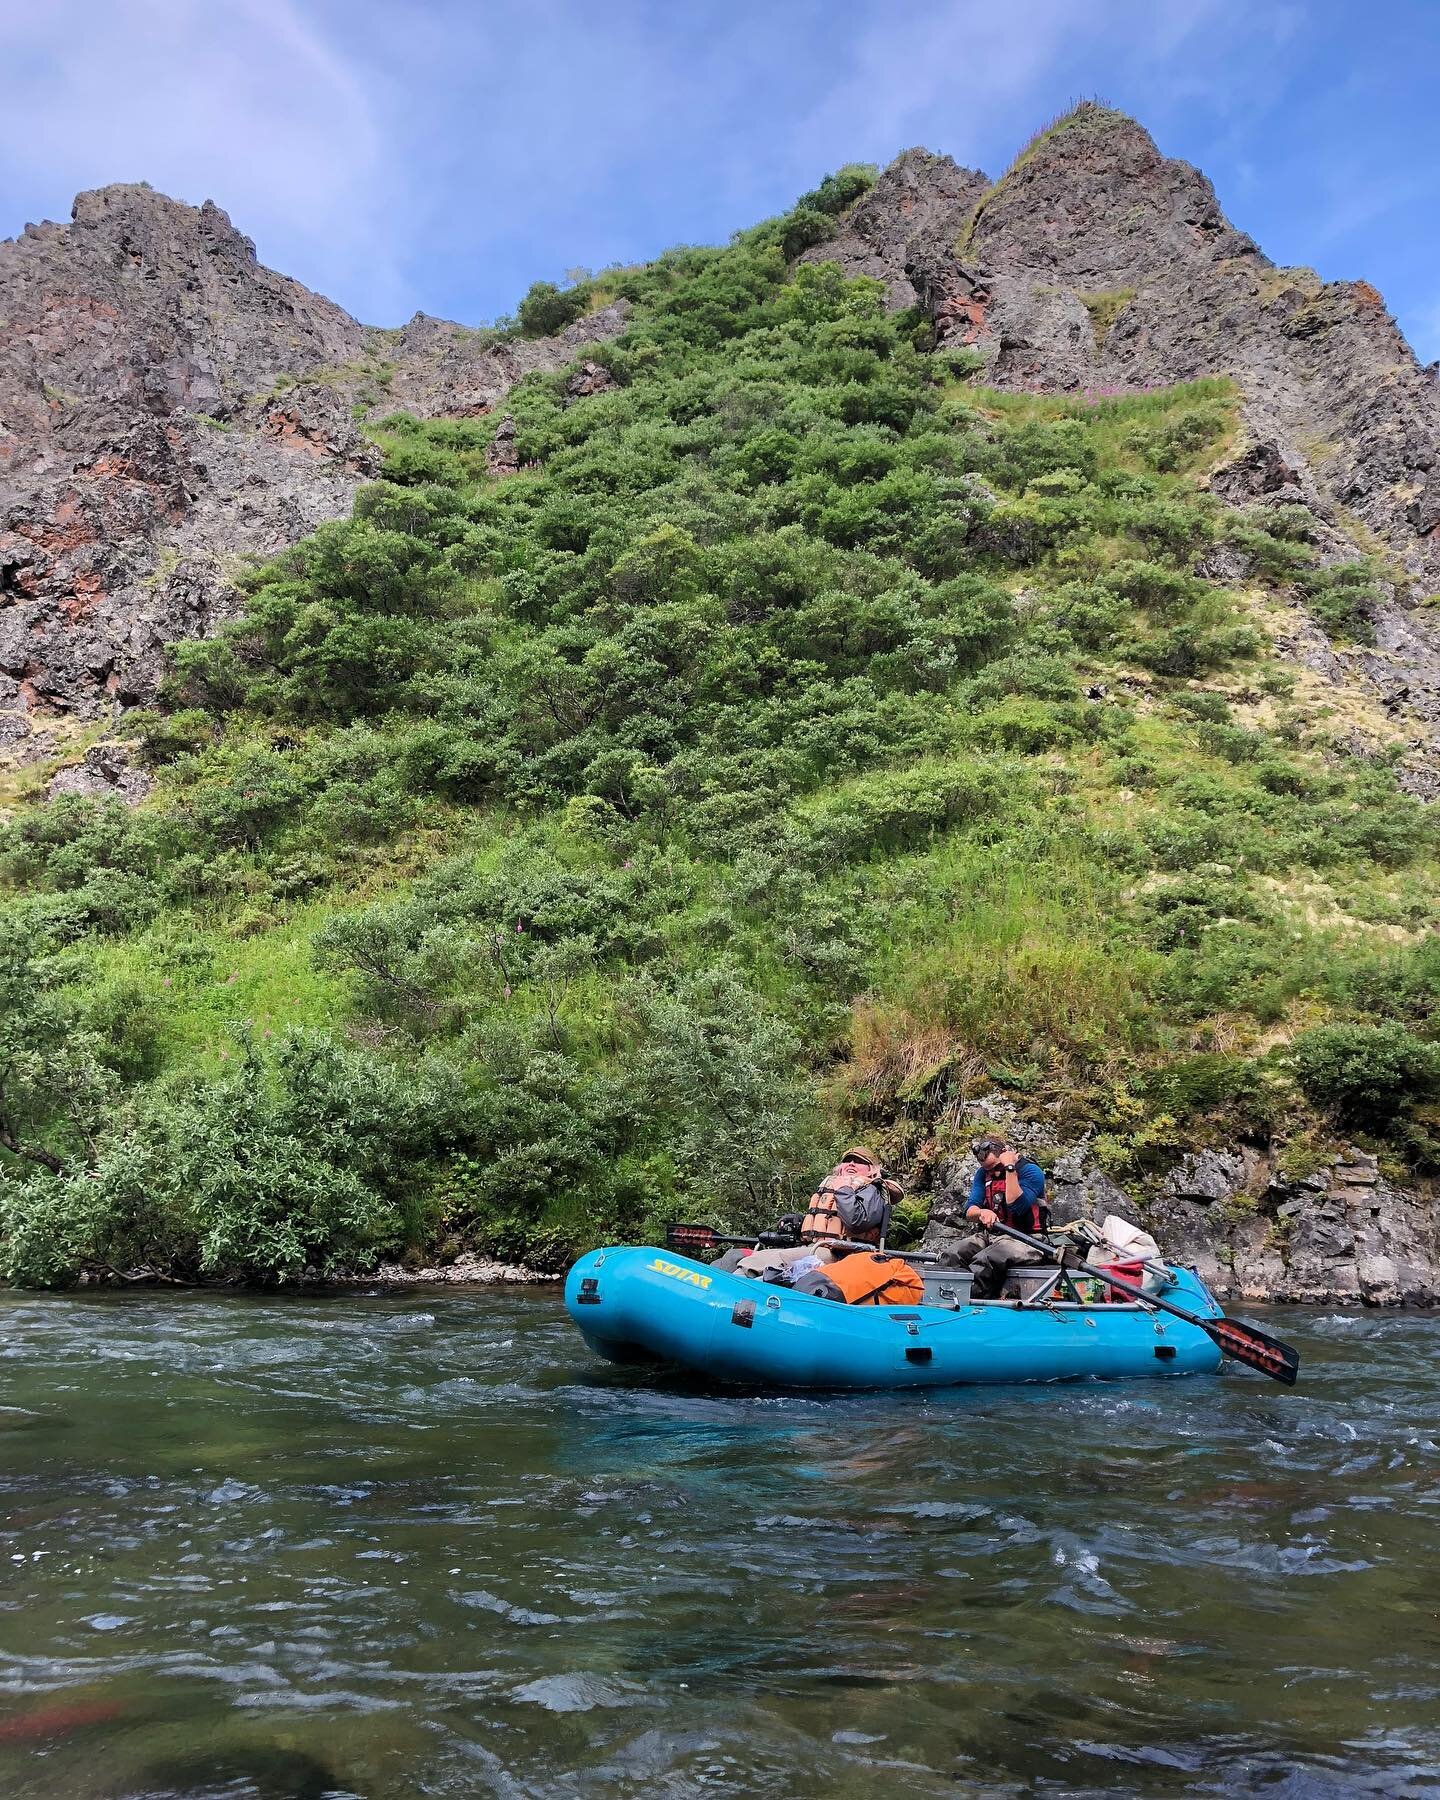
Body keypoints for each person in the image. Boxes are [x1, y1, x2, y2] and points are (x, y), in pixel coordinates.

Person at [948, 1135, 1050, 1299]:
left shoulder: (1031, 1172)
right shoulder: (983, 1174)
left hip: (1028, 1240)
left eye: (996, 1167)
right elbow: (969, 1210)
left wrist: (1009, 1167)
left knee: (986, 1260)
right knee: (953, 1254)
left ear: (1005, 1153)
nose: (993, 1173)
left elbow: (1017, 1207)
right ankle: (943, 1297)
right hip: (994, 1236)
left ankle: (971, 1302)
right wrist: (981, 1212)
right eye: (988, 1169)